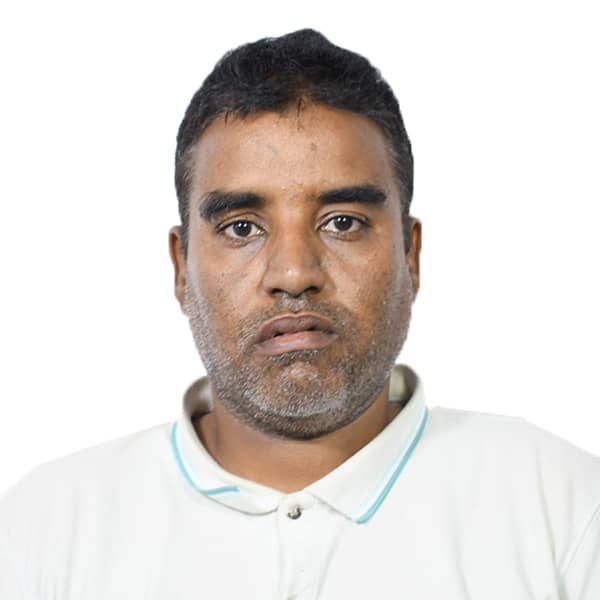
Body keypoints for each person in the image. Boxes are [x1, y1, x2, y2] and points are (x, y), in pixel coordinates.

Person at [1, 28, 598, 599]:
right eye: (242, 227)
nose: (293, 273)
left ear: (410, 255)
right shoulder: (44, 530)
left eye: (343, 222)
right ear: (182, 268)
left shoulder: (564, 509)